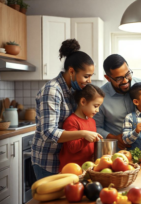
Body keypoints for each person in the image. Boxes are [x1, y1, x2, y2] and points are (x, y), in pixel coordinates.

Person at [32, 39, 102, 180]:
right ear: (72, 71)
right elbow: (48, 132)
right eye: (86, 76)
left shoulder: (73, 90)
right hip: (49, 161)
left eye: (90, 76)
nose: (89, 81)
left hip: (68, 162)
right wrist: (83, 133)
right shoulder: (52, 90)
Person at [94, 54, 141, 150]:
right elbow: (96, 127)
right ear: (108, 78)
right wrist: (114, 138)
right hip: (117, 152)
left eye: (127, 74)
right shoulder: (100, 96)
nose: (125, 81)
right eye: (119, 78)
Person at [59, 84, 105, 172]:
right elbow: (72, 148)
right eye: (95, 106)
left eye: (99, 106)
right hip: (72, 169)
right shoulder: (72, 121)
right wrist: (86, 139)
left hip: (87, 167)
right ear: (83, 102)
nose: (97, 110)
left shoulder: (92, 121)